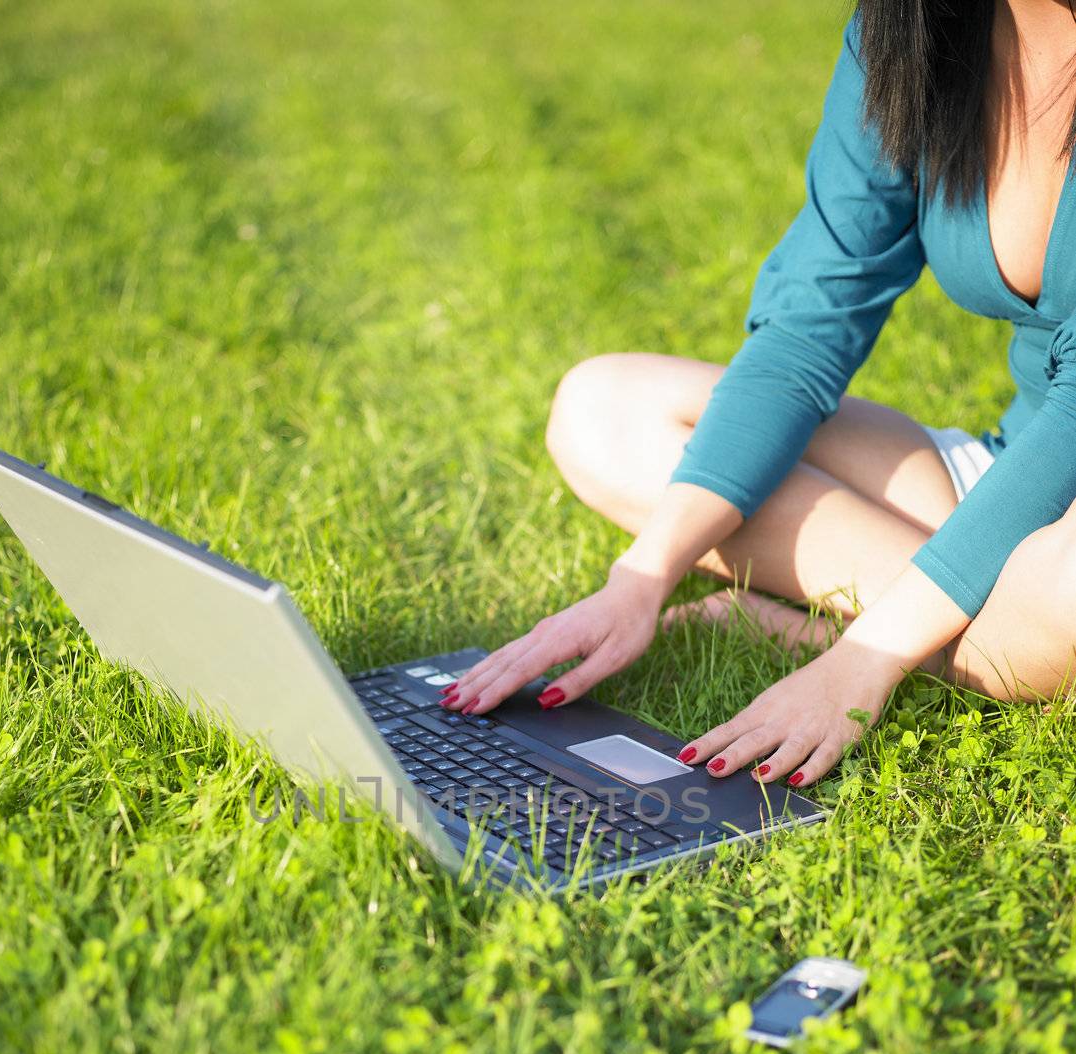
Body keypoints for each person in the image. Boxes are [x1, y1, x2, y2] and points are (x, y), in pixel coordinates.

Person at [445, 0, 1076, 788]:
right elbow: (811, 321)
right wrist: (643, 576)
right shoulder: (913, 27)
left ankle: (865, 627)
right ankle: (986, 624)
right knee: (601, 407)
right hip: (1009, 473)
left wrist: (861, 659)